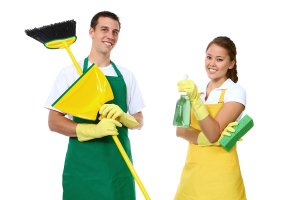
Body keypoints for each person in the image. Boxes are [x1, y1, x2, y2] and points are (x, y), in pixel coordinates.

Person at [44, 11, 145, 200]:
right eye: (104, 29)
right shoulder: (71, 74)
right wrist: (92, 130)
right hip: (82, 170)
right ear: (91, 31)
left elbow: (139, 120)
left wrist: (124, 117)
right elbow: (54, 122)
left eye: (115, 32)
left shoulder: (126, 76)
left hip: (118, 168)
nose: (110, 36)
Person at [174, 36, 247, 200]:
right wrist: (203, 138)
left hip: (222, 178)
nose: (212, 64)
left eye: (219, 59)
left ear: (231, 63)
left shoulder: (235, 92)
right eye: (209, 57)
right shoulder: (197, 90)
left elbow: (213, 133)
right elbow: (180, 130)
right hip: (192, 174)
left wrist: (195, 102)